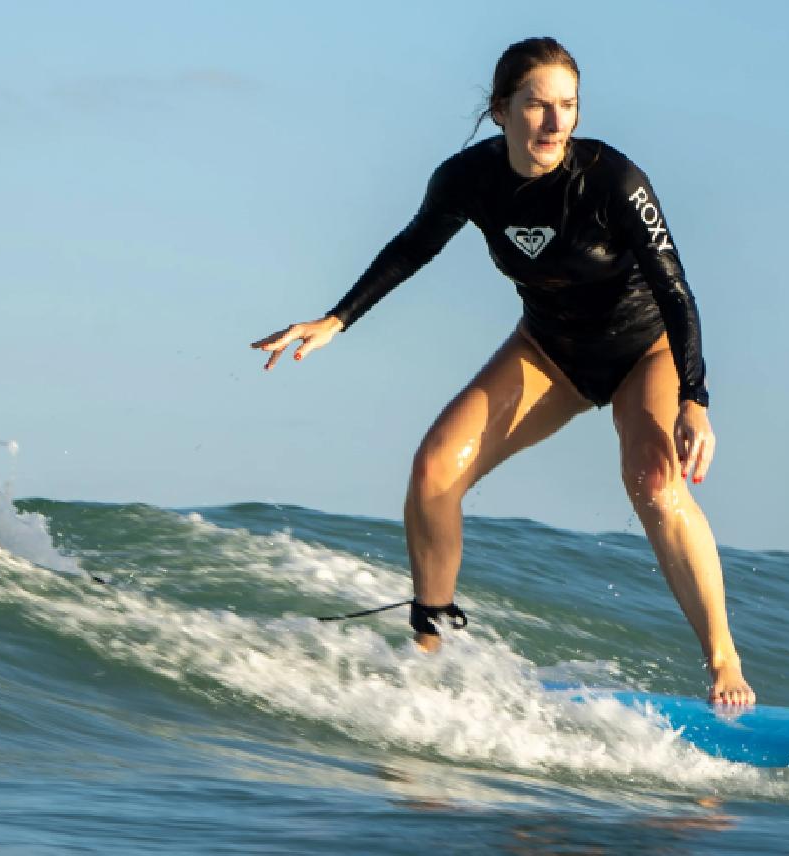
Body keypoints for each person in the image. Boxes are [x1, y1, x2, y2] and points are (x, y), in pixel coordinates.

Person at [252, 37, 754, 705]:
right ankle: (428, 650)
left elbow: (675, 290)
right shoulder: (469, 179)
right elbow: (413, 247)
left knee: (654, 481)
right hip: (550, 350)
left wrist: (695, 400)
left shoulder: (613, 180)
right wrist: (337, 319)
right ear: (501, 111)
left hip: (645, 351)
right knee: (434, 471)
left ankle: (724, 662)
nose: (555, 121)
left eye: (568, 106)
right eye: (537, 105)